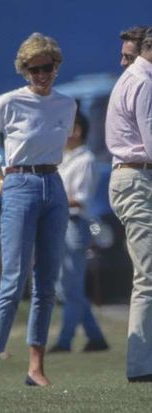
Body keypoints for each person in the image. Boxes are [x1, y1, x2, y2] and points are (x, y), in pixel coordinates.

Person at [0, 32, 77, 388]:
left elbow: (59, 144)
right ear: (24, 70)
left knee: (47, 282)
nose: (41, 74)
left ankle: (36, 367)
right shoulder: (9, 101)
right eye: (33, 69)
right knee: (13, 279)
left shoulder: (67, 104)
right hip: (19, 184)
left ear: (56, 66)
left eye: (46, 67)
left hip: (54, 183)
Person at [106, 27, 152, 382]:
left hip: (132, 177)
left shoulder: (132, 77)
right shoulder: (145, 82)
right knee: (148, 277)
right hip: (137, 178)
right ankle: (140, 368)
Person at [48, 110, 109, 353]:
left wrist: (51, 198)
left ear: (77, 131)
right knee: (66, 286)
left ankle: (65, 339)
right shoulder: (62, 158)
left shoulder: (86, 160)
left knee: (70, 285)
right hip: (60, 222)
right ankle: (95, 336)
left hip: (73, 224)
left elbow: (80, 199)